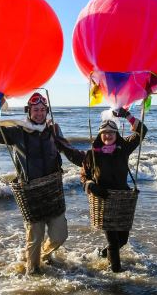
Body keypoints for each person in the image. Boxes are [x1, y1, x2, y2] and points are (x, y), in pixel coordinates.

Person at [0, 92, 69, 275]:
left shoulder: (53, 129)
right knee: (35, 237)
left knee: (60, 235)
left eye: (43, 109)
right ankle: (32, 274)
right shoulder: (18, 132)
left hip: (53, 192)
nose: (40, 113)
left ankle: (45, 254)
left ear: (47, 111)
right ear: (29, 111)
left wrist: (89, 165)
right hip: (31, 193)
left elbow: (67, 149)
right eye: (36, 110)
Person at [56, 107, 147, 272]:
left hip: (122, 200)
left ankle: (102, 255)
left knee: (123, 240)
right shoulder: (92, 154)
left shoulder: (124, 148)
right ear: (100, 135)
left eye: (112, 132)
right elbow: (84, 176)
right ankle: (116, 274)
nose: (108, 135)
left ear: (116, 134)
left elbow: (142, 131)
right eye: (104, 132)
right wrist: (91, 186)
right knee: (113, 242)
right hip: (103, 200)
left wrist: (127, 115)